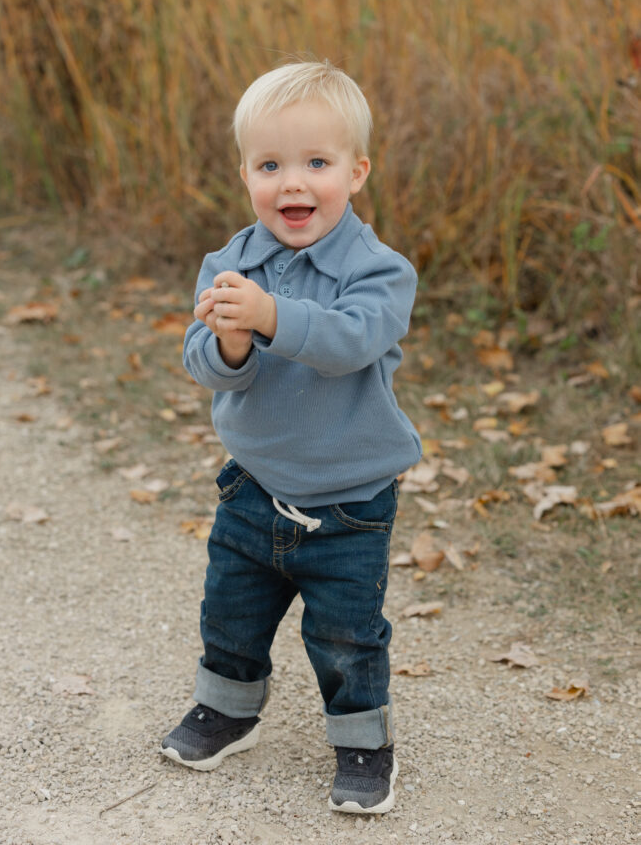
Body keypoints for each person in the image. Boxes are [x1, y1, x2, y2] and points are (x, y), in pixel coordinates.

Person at [161, 60, 422, 814]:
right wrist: (234, 345)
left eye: (316, 163)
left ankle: (363, 744)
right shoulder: (231, 263)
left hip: (350, 501)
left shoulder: (378, 272)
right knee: (230, 612)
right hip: (252, 486)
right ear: (244, 173)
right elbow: (205, 361)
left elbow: (347, 342)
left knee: (345, 634)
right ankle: (226, 709)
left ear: (357, 170)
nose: (292, 184)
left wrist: (269, 318)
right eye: (270, 165)